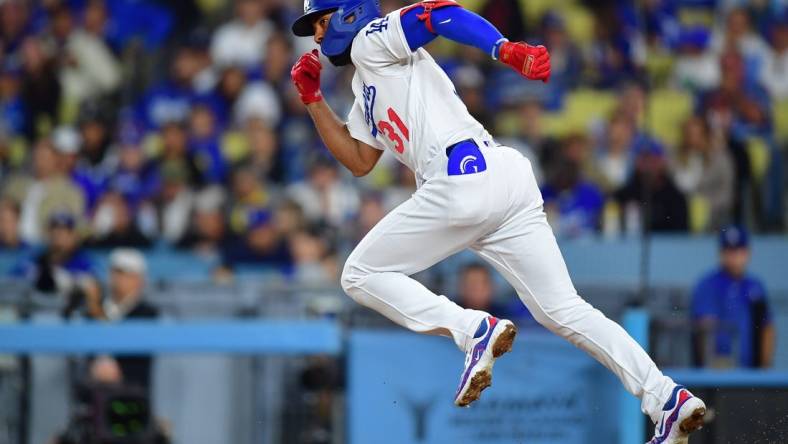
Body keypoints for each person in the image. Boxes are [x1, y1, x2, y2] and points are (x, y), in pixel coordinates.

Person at [289, 1, 706, 442]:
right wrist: (314, 100)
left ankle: (473, 330)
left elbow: (439, 13)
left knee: (359, 273)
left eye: (320, 21)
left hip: (461, 179)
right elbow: (358, 162)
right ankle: (666, 398)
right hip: (503, 178)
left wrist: (504, 49)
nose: (317, 36)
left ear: (349, 12)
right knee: (564, 309)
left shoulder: (373, 40)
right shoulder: (364, 87)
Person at [691, 226, 775, 369]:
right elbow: (704, 329)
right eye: (729, 251)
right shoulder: (708, 284)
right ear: (721, 253)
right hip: (717, 372)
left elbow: (767, 328)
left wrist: (764, 367)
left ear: (747, 253)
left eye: (738, 251)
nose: (734, 256)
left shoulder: (755, 286)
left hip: (751, 372)